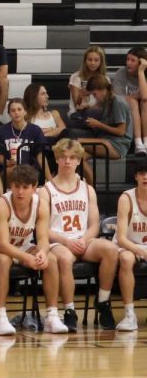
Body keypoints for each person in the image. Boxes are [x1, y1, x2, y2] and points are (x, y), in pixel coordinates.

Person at [40, 138, 121, 332]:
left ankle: (103, 301)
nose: (67, 161)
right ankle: (69, 311)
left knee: (110, 249)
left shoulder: (87, 189)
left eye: (72, 157)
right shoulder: (46, 190)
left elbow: (94, 224)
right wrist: (67, 241)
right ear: (57, 159)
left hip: (83, 240)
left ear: (79, 161)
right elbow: (43, 229)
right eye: (63, 157)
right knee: (66, 259)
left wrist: (82, 241)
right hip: (58, 241)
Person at [0, 164, 68, 335]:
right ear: (11, 185)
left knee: (51, 259)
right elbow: (3, 245)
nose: (20, 192)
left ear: (34, 188)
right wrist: (27, 258)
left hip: (23, 245)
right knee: (4, 260)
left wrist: (42, 252)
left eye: (25, 187)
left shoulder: (41, 205)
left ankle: (52, 316)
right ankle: (0, 316)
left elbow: (42, 238)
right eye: (16, 186)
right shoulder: (1, 205)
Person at [113, 166, 147, 332]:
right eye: (142, 173)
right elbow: (120, 238)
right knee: (126, 259)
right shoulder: (126, 198)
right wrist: (141, 251)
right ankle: (129, 314)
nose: (145, 177)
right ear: (136, 176)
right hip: (126, 243)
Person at [73, 75, 133, 166]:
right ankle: (91, 181)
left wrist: (99, 125)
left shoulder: (118, 102)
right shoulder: (106, 102)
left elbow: (121, 131)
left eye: (95, 94)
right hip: (106, 140)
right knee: (78, 158)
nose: (95, 97)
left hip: (117, 145)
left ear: (103, 90)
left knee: (74, 143)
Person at [0, 99, 47, 179]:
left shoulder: (35, 130)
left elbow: (41, 158)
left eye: (19, 109)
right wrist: (7, 163)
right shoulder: (0, 131)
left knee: (26, 172)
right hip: (8, 170)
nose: (16, 113)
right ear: (9, 114)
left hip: (30, 170)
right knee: (14, 170)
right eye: (13, 110)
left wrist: (49, 179)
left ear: (25, 112)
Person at [68, 45, 105, 115]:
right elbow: (77, 106)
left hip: (97, 112)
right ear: (85, 60)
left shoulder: (105, 79)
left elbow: (105, 102)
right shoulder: (76, 77)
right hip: (77, 114)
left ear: (101, 62)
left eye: (96, 60)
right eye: (89, 59)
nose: (92, 63)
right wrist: (80, 97)